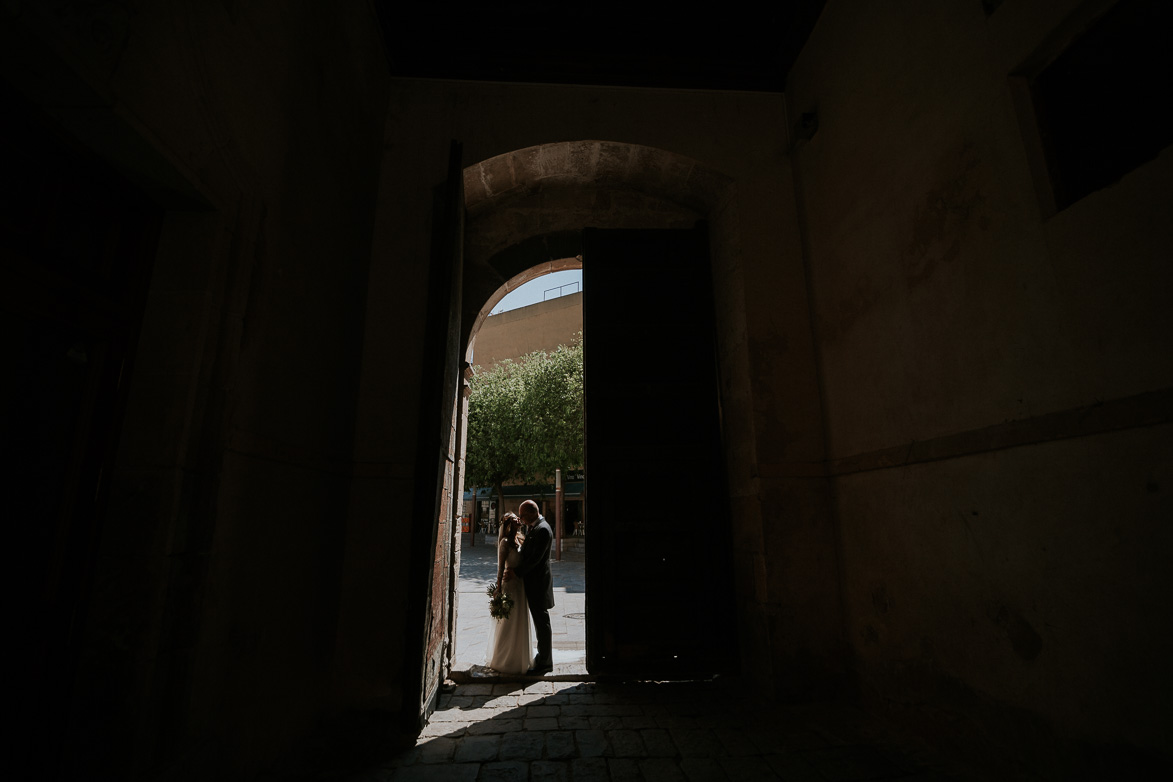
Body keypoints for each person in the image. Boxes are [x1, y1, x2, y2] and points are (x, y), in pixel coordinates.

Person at [485, 512, 534, 674]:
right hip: (509, 585)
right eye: (515, 520)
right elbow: (500, 568)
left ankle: (519, 657)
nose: (519, 520)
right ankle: (503, 659)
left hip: (521, 585)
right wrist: (498, 588)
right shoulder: (504, 543)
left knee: (519, 620)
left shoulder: (521, 539)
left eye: (518, 519)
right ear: (508, 525)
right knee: (508, 622)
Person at [511, 499, 554, 675]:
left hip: (538, 583)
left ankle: (545, 661)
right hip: (535, 583)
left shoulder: (542, 529)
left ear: (531, 513)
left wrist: (516, 571)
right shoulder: (536, 527)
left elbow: (535, 558)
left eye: (522, 515)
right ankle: (543, 657)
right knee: (540, 621)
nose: (520, 519)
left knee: (541, 622)